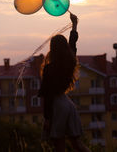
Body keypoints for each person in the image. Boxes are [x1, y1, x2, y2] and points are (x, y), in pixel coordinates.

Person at [38, 13, 91, 152]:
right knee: (77, 144)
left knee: (59, 145)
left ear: (52, 48)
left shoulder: (50, 68)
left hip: (57, 105)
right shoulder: (70, 61)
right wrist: (74, 24)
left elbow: (47, 96)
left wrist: (47, 118)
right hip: (68, 104)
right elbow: (73, 42)